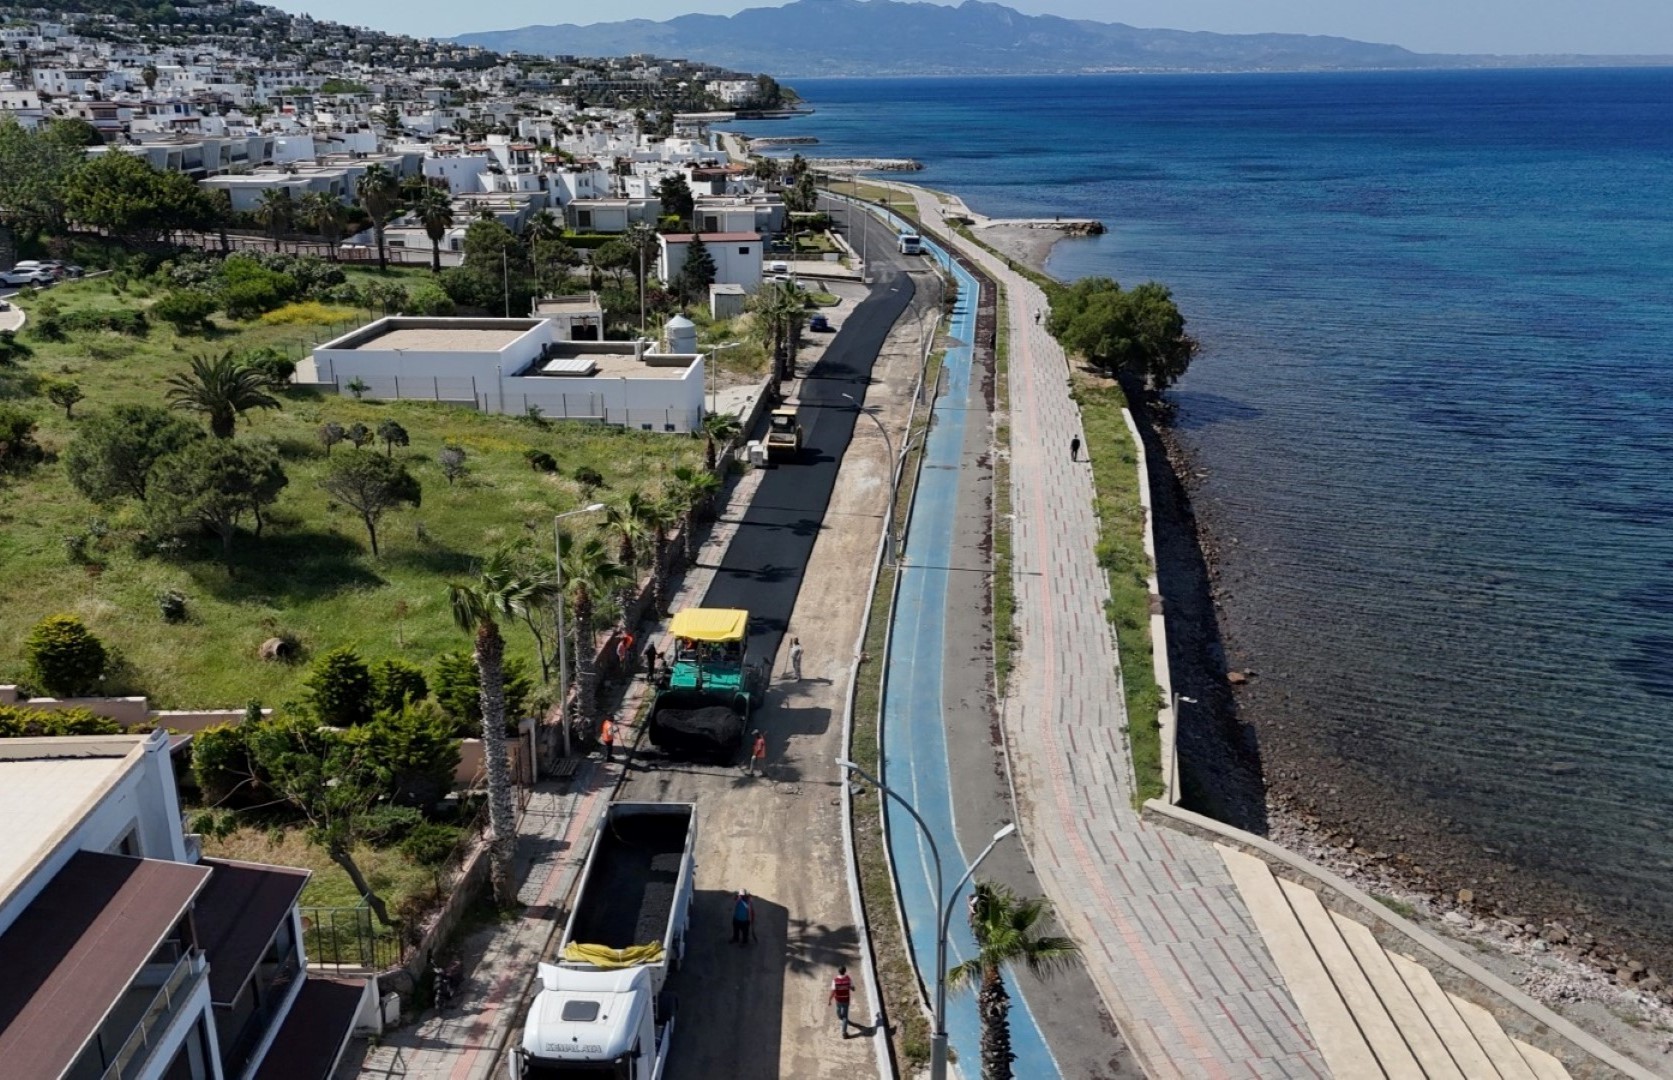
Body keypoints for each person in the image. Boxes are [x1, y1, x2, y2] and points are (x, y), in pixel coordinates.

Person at [830, 965, 854, 1034]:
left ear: (838, 972)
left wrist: (830, 1000)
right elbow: (853, 988)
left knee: (838, 1008)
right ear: (845, 971)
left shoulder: (835, 980)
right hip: (846, 999)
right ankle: (844, 1032)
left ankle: (839, 1016)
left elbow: (833, 991)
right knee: (845, 1017)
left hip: (838, 999)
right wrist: (850, 987)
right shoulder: (848, 979)